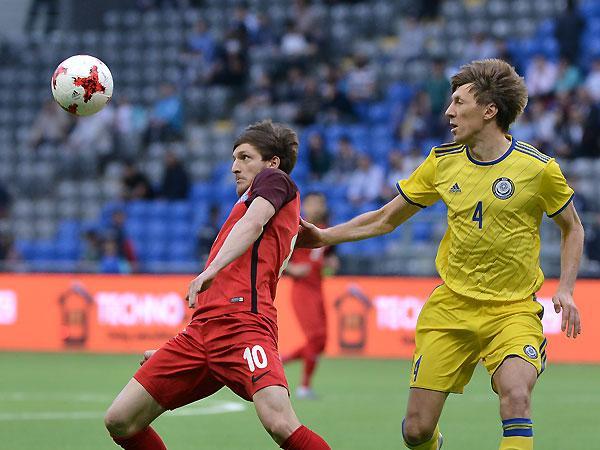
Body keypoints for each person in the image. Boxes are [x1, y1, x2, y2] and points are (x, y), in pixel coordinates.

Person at [297, 59, 584, 450]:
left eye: (459, 102)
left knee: (516, 395)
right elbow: (385, 218)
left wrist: (565, 288)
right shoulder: (442, 162)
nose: (449, 111)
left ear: (489, 110)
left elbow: (572, 227)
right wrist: (323, 236)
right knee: (416, 430)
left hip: (513, 310)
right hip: (451, 308)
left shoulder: (538, 169)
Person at [104, 120, 331, 450]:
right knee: (120, 420)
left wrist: (209, 271)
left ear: (272, 162)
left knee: (280, 423)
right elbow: (290, 229)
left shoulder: (275, 181)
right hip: (201, 332)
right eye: (234, 158)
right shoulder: (259, 204)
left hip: (243, 325)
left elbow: (254, 223)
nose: (234, 167)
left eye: (244, 157)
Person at [282, 192, 339, 399]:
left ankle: (279, 361)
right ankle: (304, 387)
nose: (317, 207)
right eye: (313, 203)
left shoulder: (326, 231)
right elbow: (276, 254)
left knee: (321, 341)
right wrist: (291, 269)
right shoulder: (295, 228)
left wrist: (331, 265)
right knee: (315, 337)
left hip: (318, 289)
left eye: (320, 203)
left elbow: (329, 259)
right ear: (304, 205)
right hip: (302, 290)